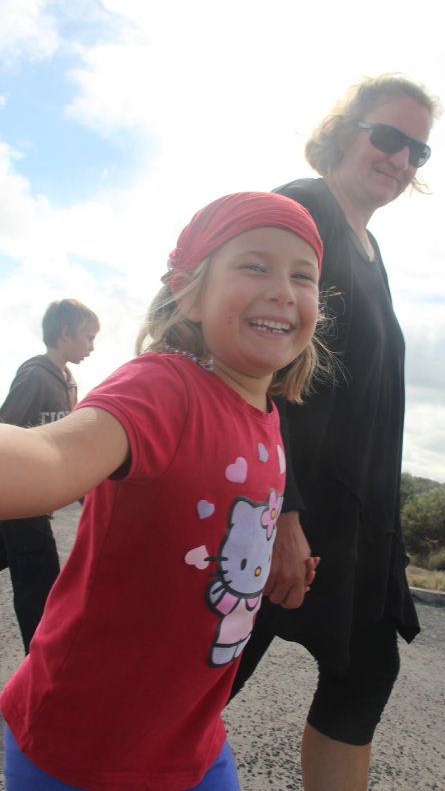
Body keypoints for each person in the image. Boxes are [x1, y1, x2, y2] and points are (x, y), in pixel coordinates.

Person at [0, 191, 326, 791]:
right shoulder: (164, 387)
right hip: (83, 746)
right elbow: (50, 461)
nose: (284, 290)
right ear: (189, 292)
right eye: (255, 265)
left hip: (192, 742)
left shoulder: (269, 418)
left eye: (303, 276)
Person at [230, 74, 442, 791]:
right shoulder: (303, 211)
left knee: (366, 670)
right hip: (289, 510)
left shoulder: (369, 248)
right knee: (204, 676)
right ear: (345, 130)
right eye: (389, 137)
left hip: (356, 521)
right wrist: (283, 515)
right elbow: (250, 364)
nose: (401, 159)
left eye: (417, 151)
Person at [0, 298, 99, 653]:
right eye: (88, 337)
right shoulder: (35, 376)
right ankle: (40, 666)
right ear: (65, 333)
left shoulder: (67, 382)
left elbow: (64, 446)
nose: (92, 347)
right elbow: (5, 429)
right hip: (20, 497)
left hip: (33, 498)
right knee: (39, 580)